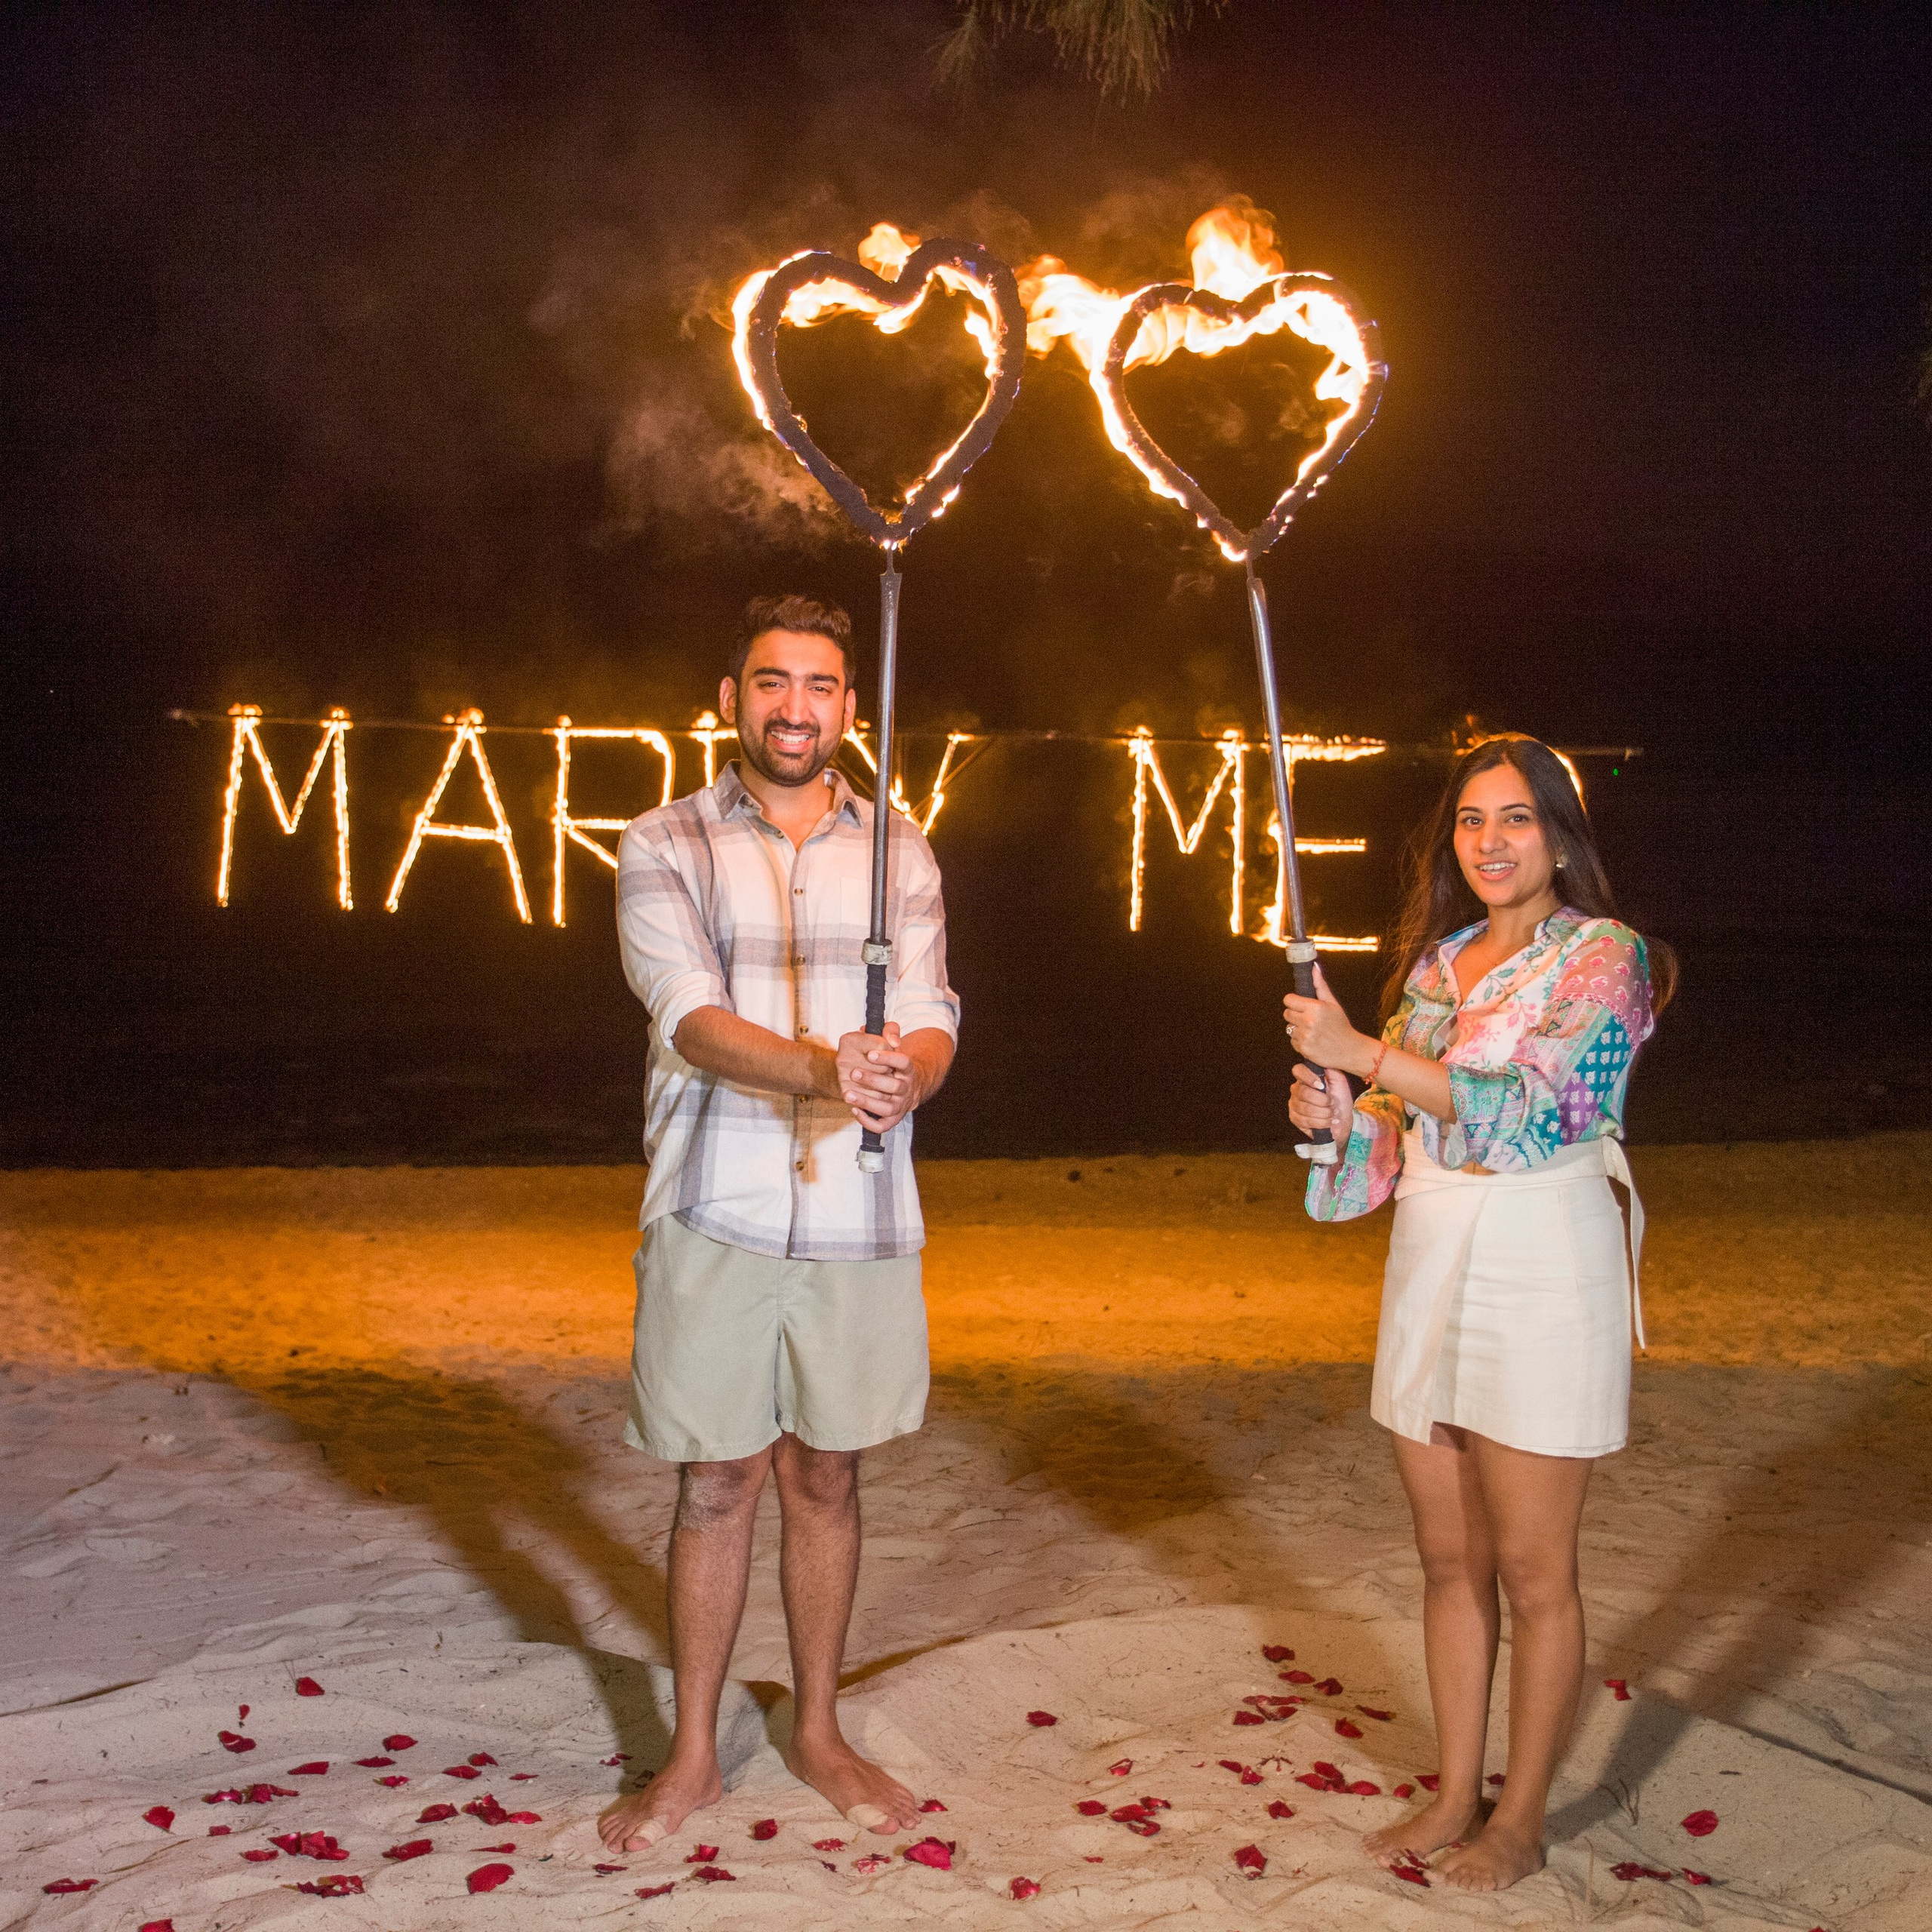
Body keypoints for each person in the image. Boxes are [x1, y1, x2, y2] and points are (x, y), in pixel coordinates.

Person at [597, 594, 958, 1854]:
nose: (794, 707)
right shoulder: (664, 841)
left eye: (818, 685)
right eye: (770, 682)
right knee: (717, 1481)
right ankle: (694, 1753)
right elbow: (688, 1015)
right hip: (717, 1201)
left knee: (829, 1472)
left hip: (861, 1213)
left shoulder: (899, 848)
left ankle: (817, 1729)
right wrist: (824, 1069)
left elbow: (931, 1011)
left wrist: (904, 1070)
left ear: (851, 706)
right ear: (730, 695)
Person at [1282, 732, 1672, 1894]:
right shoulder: (1440, 965)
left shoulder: (1606, 958)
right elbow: (1384, 1159)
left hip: (1543, 1254)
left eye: (1515, 818)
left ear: (1561, 833)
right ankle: (1457, 1790)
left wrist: (1364, 1053)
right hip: (1432, 1253)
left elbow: (1539, 1113)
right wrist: (1335, 1111)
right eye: (1470, 820)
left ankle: (1522, 1818)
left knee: (1533, 1568)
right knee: (1448, 1556)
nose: (1491, 841)